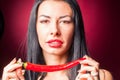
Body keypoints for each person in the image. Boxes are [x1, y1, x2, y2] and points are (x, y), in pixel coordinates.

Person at [2, 0, 113, 80]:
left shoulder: (101, 77)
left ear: (76, 28)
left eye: (65, 21)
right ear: (34, 27)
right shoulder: (17, 78)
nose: (54, 30)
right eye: (45, 21)